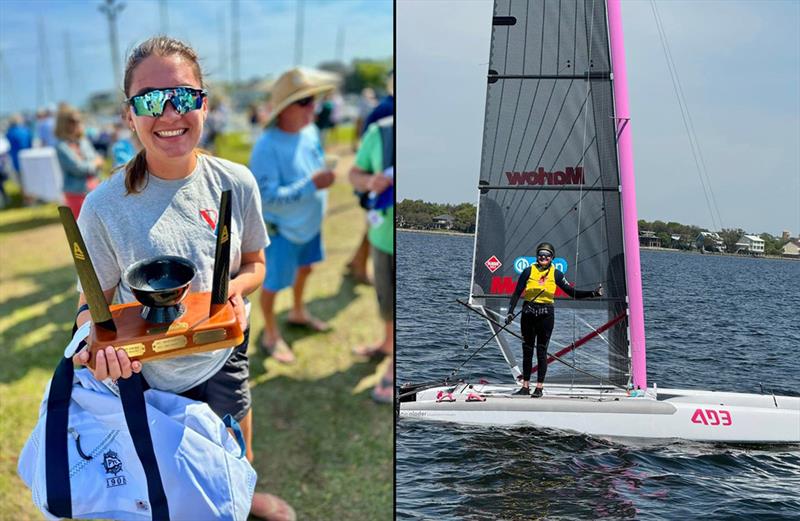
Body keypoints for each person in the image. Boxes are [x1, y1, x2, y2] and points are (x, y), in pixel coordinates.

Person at [70, 36, 294, 521]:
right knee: (168, 486)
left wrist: (233, 291)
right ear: (130, 115)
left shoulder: (235, 182)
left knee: (235, 462)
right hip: (148, 376)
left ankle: (239, 499)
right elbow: (94, 303)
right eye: (150, 100)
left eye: (184, 96)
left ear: (204, 105)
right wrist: (93, 342)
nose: (170, 113)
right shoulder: (103, 207)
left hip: (223, 355)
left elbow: (255, 264)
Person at [250, 67, 337, 365]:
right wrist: (311, 184)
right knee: (273, 284)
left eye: (313, 99)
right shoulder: (267, 146)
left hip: (309, 226)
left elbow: (314, 163)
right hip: (283, 230)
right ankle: (270, 334)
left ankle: (298, 311)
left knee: (307, 269)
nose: (313, 106)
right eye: (305, 101)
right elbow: (267, 197)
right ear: (284, 109)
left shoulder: (310, 130)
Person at [505, 242, 602, 397]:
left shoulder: (556, 274)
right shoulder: (528, 271)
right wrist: (510, 312)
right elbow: (517, 293)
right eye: (540, 255)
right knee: (527, 351)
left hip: (546, 315)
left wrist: (593, 293)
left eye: (547, 255)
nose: (543, 257)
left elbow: (572, 292)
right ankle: (525, 387)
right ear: (537, 256)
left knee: (541, 351)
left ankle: (539, 388)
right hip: (528, 313)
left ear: (552, 258)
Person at [349, 114, 394, 403]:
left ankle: (395, 366)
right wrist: (370, 181)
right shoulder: (381, 131)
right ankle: (388, 344)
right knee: (385, 299)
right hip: (381, 236)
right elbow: (354, 174)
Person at [54, 105, 103, 218]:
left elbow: (96, 161)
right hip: (77, 194)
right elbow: (79, 168)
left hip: (95, 190)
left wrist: (93, 164)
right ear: (64, 123)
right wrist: (94, 164)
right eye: (73, 121)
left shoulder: (83, 141)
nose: (78, 123)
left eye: (79, 120)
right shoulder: (61, 147)